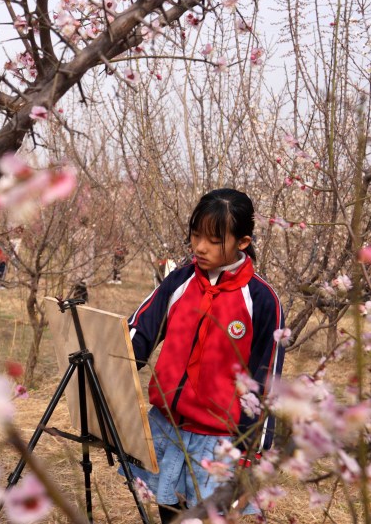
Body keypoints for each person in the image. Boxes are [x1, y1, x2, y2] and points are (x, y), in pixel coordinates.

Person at [122, 188, 285, 523]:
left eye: (213, 240)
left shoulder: (261, 300)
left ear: (242, 242)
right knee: (168, 512)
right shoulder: (179, 281)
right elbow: (139, 335)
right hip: (166, 427)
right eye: (196, 235)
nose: (199, 247)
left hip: (219, 441)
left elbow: (265, 380)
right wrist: (110, 358)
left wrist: (251, 447)